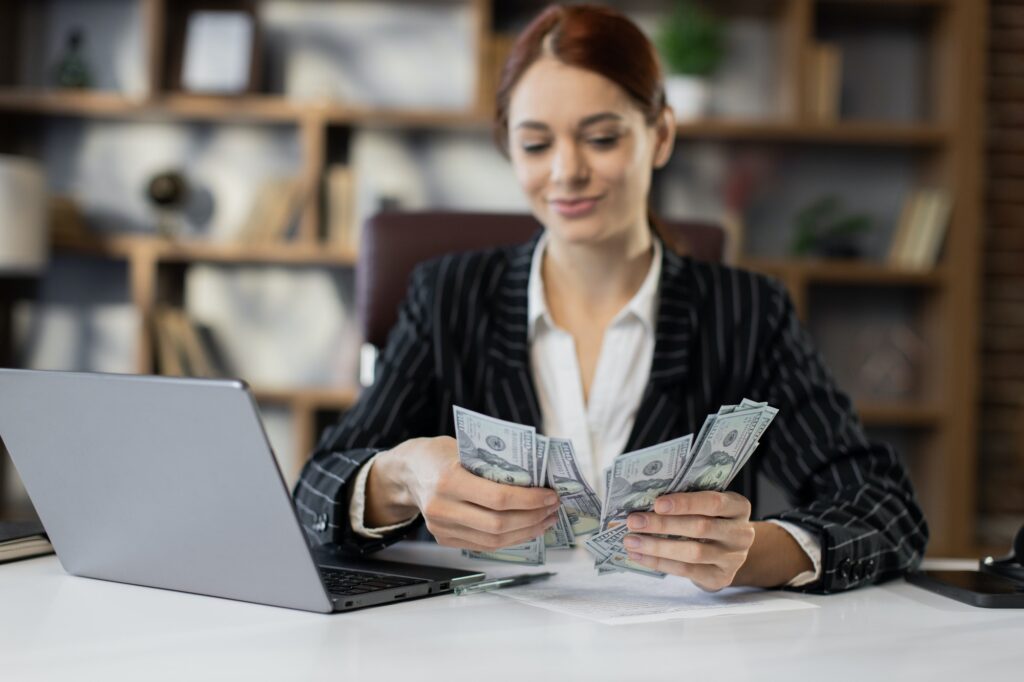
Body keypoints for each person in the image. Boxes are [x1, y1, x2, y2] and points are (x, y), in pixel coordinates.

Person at [293, 4, 927, 594]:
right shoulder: (447, 296)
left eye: (601, 138)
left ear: (660, 135)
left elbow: (885, 507)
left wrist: (755, 552)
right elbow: (311, 493)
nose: (566, 171)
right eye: (536, 144)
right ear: (508, 147)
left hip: (679, 655)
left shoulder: (747, 313)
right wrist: (399, 479)